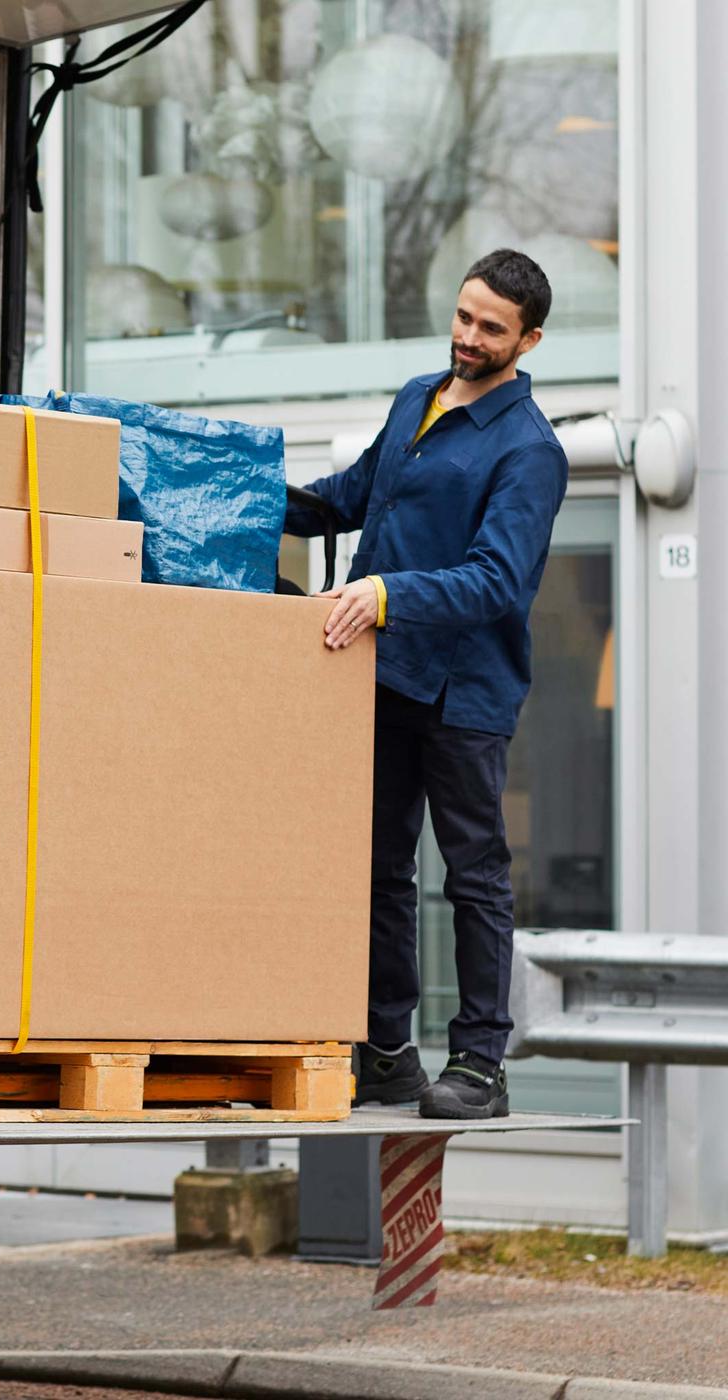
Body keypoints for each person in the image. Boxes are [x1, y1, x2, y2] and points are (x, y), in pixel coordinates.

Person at [285, 248, 568, 1119]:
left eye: (492, 328)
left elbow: (496, 581)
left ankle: (481, 1063)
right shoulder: (418, 397)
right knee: (379, 867)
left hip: (465, 692)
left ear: (528, 340)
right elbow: (351, 496)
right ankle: (386, 1052)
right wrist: (242, 497)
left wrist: (384, 595)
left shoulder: (530, 450)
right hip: (383, 674)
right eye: (464, 316)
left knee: (473, 875)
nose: (469, 337)